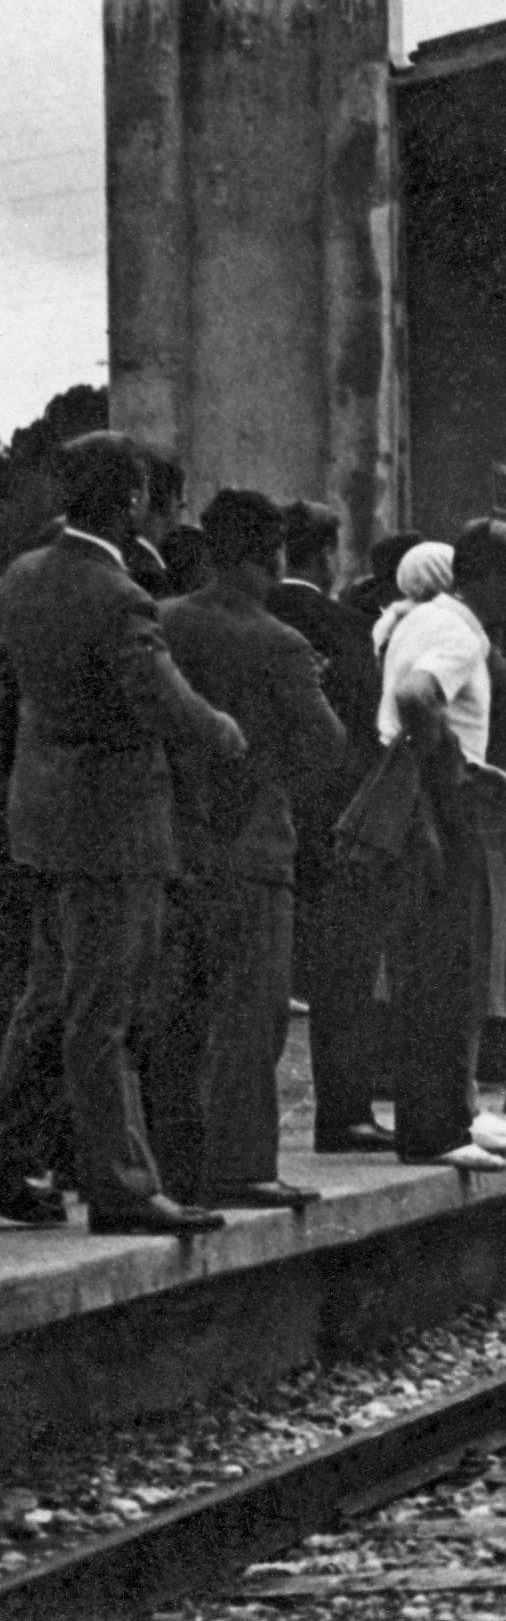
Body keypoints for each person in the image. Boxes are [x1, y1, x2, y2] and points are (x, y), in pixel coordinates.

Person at [0, 433, 248, 1235]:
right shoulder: (119, 593)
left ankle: (7, 1160)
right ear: (134, 495)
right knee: (105, 1010)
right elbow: (163, 701)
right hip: (115, 822)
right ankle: (122, 1185)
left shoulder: (23, 574)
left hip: (42, 814)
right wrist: (223, 730)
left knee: (47, 997)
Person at [151, 489, 351, 1209]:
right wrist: (274, 783)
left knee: (177, 1011)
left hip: (174, 838)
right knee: (253, 1011)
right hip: (257, 845)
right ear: (270, 555)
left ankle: (176, 1167)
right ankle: (242, 1165)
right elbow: (328, 746)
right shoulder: (282, 642)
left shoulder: (165, 621)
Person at [377, 516, 506, 1168]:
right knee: (449, 968)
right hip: (439, 808)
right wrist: (453, 770)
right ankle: (435, 1129)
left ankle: (458, 1112)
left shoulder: (422, 615)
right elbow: (417, 696)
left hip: (420, 793)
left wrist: (465, 761)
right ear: (499, 577)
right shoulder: (463, 634)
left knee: (441, 965)